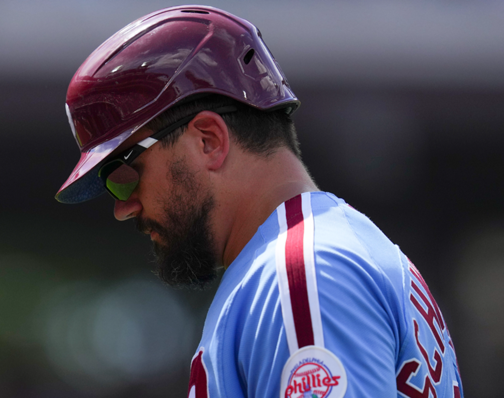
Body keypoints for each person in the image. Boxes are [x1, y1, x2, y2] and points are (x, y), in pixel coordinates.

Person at [55, 5, 463, 398]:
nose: (123, 206)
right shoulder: (335, 251)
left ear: (207, 141)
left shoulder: (303, 271)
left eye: (124, 173)